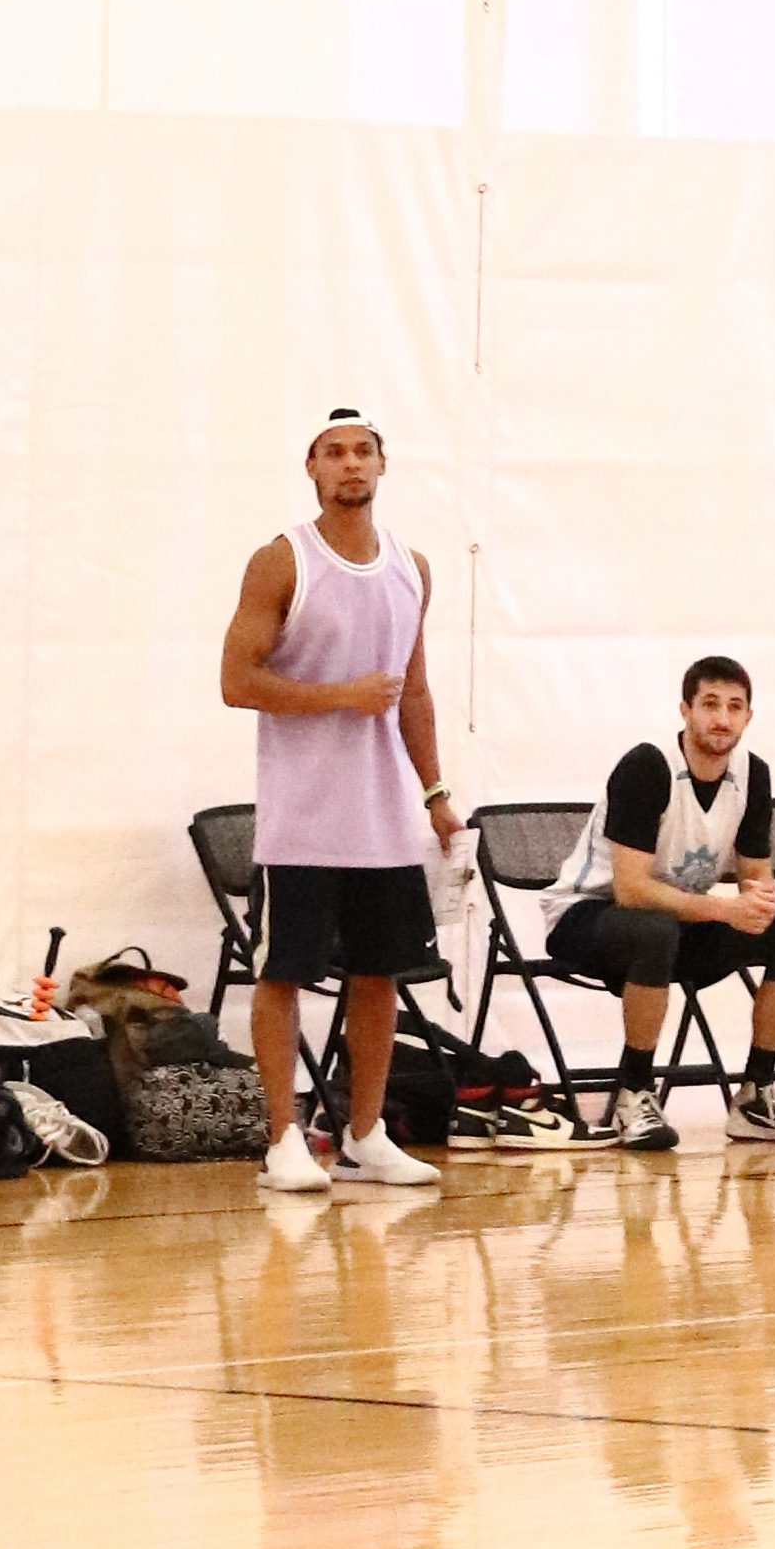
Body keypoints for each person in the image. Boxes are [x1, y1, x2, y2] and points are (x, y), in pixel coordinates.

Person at [220, 406, 462, 1198]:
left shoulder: (413, 568)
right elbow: (236, 681)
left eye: (363, 451)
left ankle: (365, 1135)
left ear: (383, 465)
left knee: (378, 976)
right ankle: (282, 1140)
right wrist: (339, 696)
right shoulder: (281, 560)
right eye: (335, 452)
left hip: (383, 820)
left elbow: (413, 691)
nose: (351, 463)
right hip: (301, 821)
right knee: (283, 976)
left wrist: (436, 794)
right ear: (313, 468)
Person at [548, 655, 775, 1149]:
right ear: (686, 710)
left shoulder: (753, 774)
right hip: (586, 915)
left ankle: (756, 1097)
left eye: (735, 707)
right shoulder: (648, 766)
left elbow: (755, 874)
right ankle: (634, 1094)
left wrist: (758, 902)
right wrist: (726, 909)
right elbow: (632, 891)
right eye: (710, 704)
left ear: (748, 717)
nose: (722, 718)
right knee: (654, 930)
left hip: (674, 923)